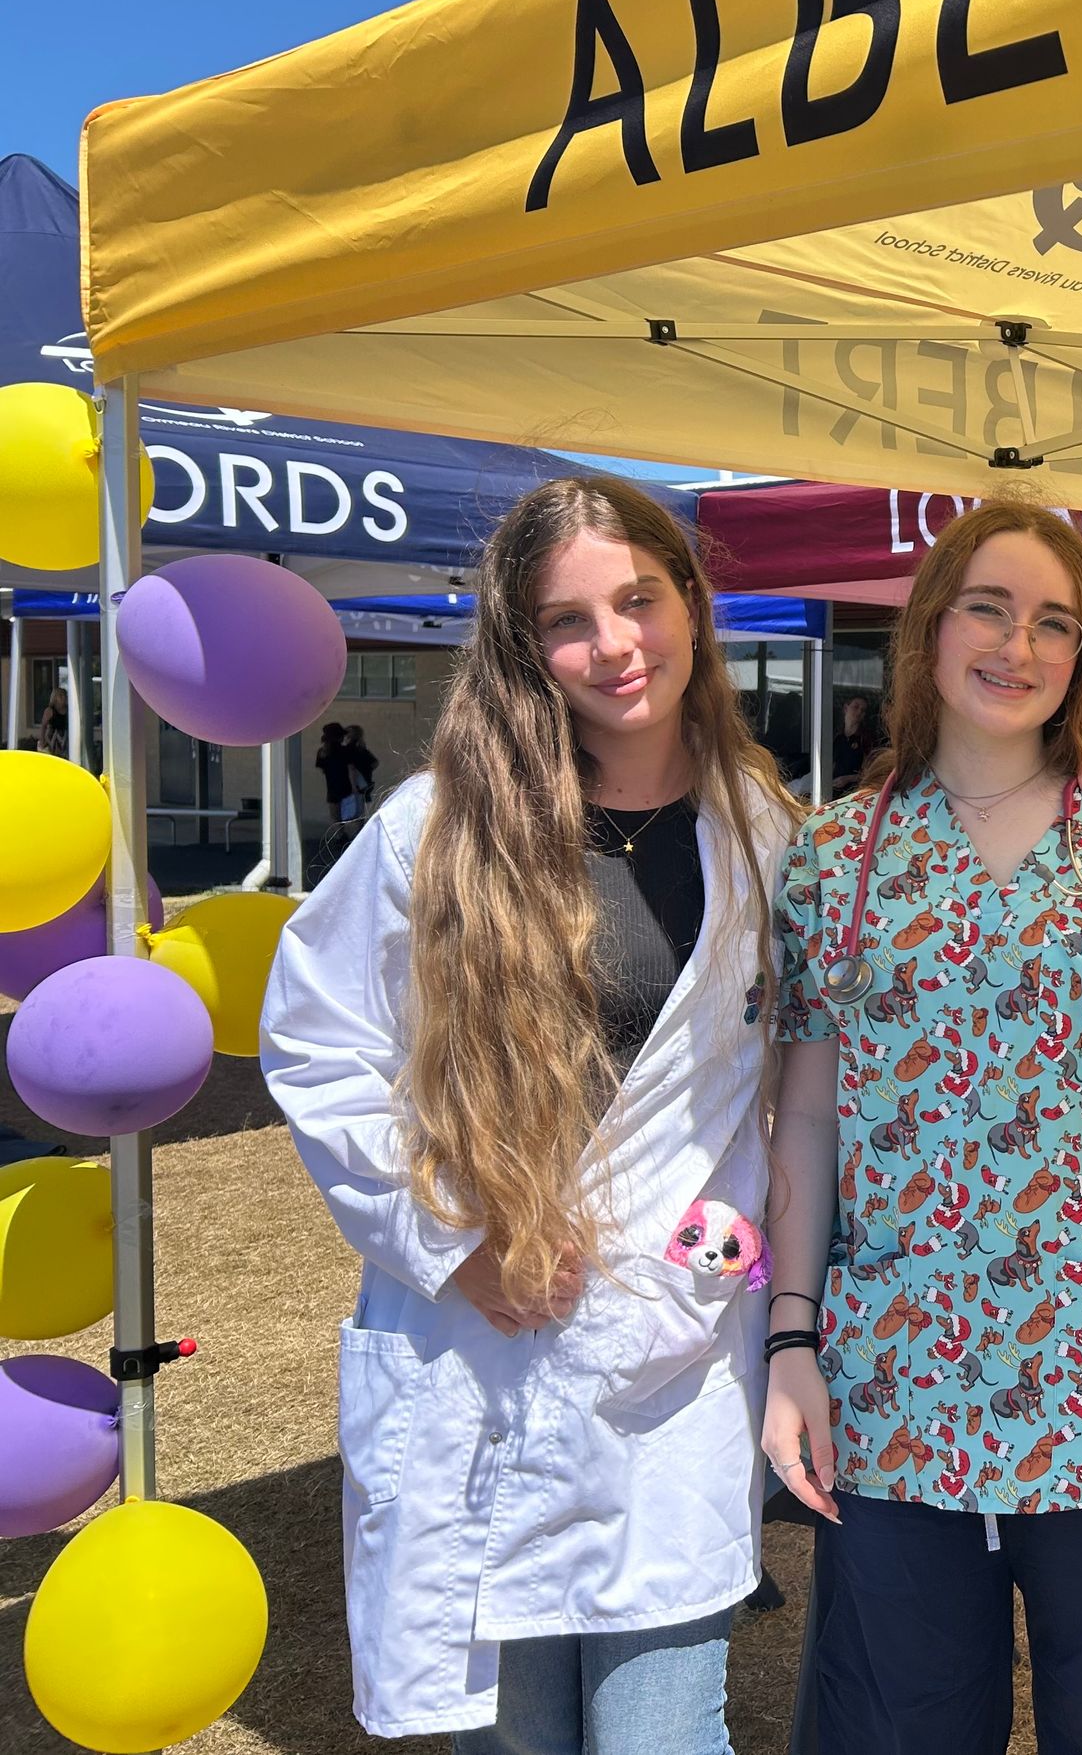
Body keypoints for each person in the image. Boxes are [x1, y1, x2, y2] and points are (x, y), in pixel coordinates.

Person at [261, 476, 806, 1749]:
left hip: (672, 1367)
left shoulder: (766, 830)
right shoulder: (437, 832)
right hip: (484, 1349)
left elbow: (796, 1087)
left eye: (640, 599)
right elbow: (319, 1044)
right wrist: (453, 1239)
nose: (615, 644)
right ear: (522, 643)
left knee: (660, 1734)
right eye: (570, 620)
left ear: (691, 604)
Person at [762, 497, 1082, 1755]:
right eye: (987, 608)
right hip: (894, 1377)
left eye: (1054, 624)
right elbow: (805, 1113)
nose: (1017, 646)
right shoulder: (837, 854)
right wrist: (791, 1337)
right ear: (928, 626)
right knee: (906, 1726)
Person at [315, 722, 358, 824]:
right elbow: (351, 769)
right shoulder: (345, 751)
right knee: (349, 815)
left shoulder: (322, 752)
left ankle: (339, 833)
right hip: (346, 786)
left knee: (335, 817)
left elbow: (321, 769)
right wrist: (354, 786)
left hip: (331, 787)